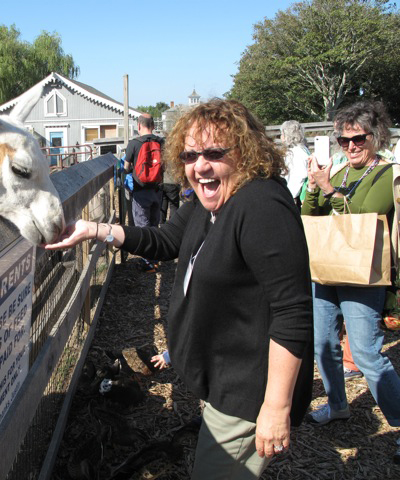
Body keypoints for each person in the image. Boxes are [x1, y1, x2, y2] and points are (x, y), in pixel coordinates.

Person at [47, 99, 314, 479]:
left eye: (214, 153)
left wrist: (275, 406)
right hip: (224, 381)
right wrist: (94, 230)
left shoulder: (261, 206)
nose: (199, 166)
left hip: (247, 393)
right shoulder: (212, 200)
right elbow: (167, 240)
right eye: (189, 155)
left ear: (247, 151)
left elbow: (293, 312)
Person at [302, 100, 400, 464]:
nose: (350, 147)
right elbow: (311, 216)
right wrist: (315, 187)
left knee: (367, 354)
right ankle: (337, 404)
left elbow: (362, 218)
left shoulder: (388, 175)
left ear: (376, 136)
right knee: (323, 343)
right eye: (343, 141)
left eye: (358, 139)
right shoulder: (340, 173)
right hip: (327, 269)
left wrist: (328, 190)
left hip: (363, 275)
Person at [124, 113, 164, 272]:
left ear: (138, 126)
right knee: (154, 225)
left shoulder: (134, 143)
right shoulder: (161, 142)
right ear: (153, 126)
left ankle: (149, 264)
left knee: (142, 226)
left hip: (140, 192)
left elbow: (126, 167)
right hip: (157, 189)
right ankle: (155, 258)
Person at [280, 120, 310, 206]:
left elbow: (299, 177)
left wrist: (291, 196)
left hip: (296, 198)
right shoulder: (303, 149)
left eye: (282, 134)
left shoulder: (295, 153)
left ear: (287, 135)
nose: (281, 137)